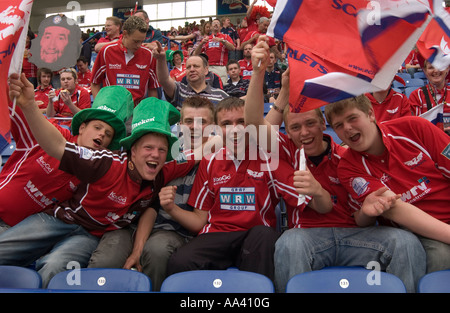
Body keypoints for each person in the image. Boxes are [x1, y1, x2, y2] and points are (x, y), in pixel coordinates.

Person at [245, 37, 427, 293]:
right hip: (308, 238)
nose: (304, 132)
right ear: (288, 131)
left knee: (405, 242)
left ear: (323, 124)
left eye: (310, 123)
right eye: (295, 127)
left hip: (357, 237)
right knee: (289, 242)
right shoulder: (286, 151)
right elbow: (253, 126)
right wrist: (259, 72)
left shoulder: (349, 155)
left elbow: (363, 214)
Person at [1, 73, 197, 287]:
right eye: (148, 148)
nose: (155, 155)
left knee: (55, 267)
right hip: (58, 220)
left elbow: (200, 152)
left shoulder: (162, 168)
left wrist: (221, 138)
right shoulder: (104, 162)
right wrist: (29, 104)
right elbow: (56, 145)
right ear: (132, 150)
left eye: (162, 150)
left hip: (89, 235)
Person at [165, 97, 330, 282]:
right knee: (180, 262)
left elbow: (320, 206)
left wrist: (319, 191)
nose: (235, 129)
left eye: (241, 122)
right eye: (227, 123)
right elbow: (199, 220)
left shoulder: (270, 161)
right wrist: (172, 208)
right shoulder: (209, 161)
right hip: (217, 235)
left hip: (255, 238)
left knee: (265, 236)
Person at [88, 96, 216, 291]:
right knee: (106, 262)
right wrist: (137, 248)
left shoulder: (219, 161)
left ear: (212, 125)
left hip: (183, 234)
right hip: (136, 225)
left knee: (156, 250)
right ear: (180, 124)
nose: (194, 127)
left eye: (202, 122)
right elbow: (152, 207)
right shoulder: (163, 153)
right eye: (189, 121)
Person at [324, 94, 450, 274]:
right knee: (441, 257)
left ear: (370, 114)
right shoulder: (348, 167)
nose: (348, 128)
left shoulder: (414, 127)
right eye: (338, 125)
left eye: (352, 118)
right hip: (420, 232)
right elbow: (394, 207)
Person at [1, 74, 133, 234]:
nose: (101, 135)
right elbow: (14, 104)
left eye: (108, 134)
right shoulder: (52, 133)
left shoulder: (95, 172)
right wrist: (14, 90)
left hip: (25, 239)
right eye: (97, 127)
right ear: (82, 127)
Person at [91, 15, 160, 105]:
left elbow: (152, 88)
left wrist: (150, 111)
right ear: (125, 34)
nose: (139, 45)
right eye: (135, 41)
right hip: (111, 110)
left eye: (141, 41)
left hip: (136, 112)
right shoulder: (107, 51)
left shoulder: (149, 55)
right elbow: (95, 83)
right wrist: (100, 105)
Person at [154, 41, 229, 109]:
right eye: (188, 67)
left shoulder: (221, 95)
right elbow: (164, 80)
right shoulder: (180, 91)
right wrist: (161, 59)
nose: (192, 70)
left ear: (206, 70)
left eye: (196, 66)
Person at [408, 60, 450, 134]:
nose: (436, 71)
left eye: (440, 67)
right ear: (425, 71)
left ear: (447, 69)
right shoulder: (417, 95)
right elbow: (416, 127)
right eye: (431, 67)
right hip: (429, 141)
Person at [193, 19, 235, 85]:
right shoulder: (207, 39)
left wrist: (222, 41)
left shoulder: (226, 37)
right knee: (208, 88)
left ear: (221, 27)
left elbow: (232, 48)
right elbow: (196, 54)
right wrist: (201, 44)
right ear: (211, 27)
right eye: (214, 23)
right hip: (209, 68)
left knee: (222, 87)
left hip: (221, 67)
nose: (215, 24)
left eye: (217, 23)